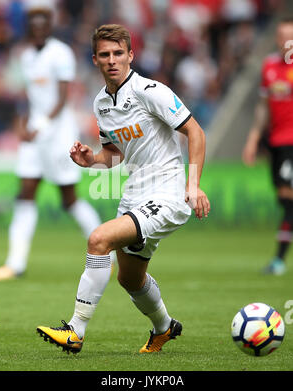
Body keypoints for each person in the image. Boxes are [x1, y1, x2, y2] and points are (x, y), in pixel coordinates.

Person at [37, 24, 210, 354]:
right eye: (105, 55)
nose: (112, 60)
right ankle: (164, 328)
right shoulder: (101, 103)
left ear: (131, 55)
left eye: (119, 53)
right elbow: (115, 154)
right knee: (129, 279)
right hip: (136, 193)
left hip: (169, 193)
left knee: (98, 239)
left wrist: (193, 185)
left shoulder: (150, 90)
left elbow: (195, 132)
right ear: (95, 60)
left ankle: (75, 330)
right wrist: (91, 160)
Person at [0, 6, 102, 281]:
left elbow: (62, 98)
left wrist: (40, 126)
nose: (39, 30)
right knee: (25, 193)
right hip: (35, 136)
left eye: (44, 25)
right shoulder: (26, 55)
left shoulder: (60, 53)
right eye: (34, 25)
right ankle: (15, 263)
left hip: (58, 136)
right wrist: (24, 124)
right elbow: (30, 97)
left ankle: (107, 254)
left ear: (49, 27)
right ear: (29, 27)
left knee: (69, 199)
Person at [242, 17, 293, 275]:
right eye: (282, 36)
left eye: (291, 37)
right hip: (277, 143)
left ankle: (279, 260)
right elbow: (263, 107)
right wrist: (253, 138)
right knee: (284, 199)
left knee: (288, 200)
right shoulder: (269, 66)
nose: (287, 42)